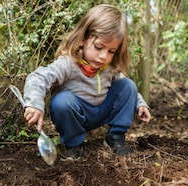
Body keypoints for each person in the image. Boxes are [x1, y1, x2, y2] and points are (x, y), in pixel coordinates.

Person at [22, 4, 151, 160]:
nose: (104, 56)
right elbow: (38, 77)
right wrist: (34, 104)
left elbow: (127, 90)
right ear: (83, 39)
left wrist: (140, 104)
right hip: (75, 115)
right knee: (61, 102)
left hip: (101, 111)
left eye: (111, 51)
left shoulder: (109, 68)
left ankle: (115, 137)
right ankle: (73, 145)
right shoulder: (68, 64)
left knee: (128, 85)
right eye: (98, 47)